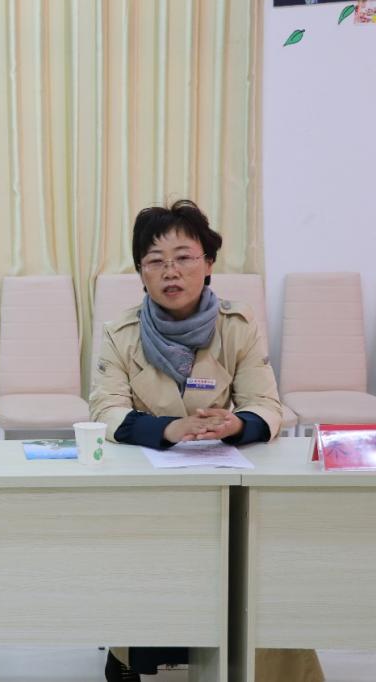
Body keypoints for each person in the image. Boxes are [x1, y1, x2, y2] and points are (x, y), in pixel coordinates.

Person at [89, 200, 323, 682]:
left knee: (257, 561)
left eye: (184, 257)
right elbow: (105, 409)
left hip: (225, 476)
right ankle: (129, 654)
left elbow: (267, 404)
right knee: (141, 552)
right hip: (148, 480)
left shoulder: (238, 327)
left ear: (209, 263)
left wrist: (236, 424)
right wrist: (166, 430)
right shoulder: (121, 333)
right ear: (141, 273)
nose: (170, 271)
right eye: (155, 261)